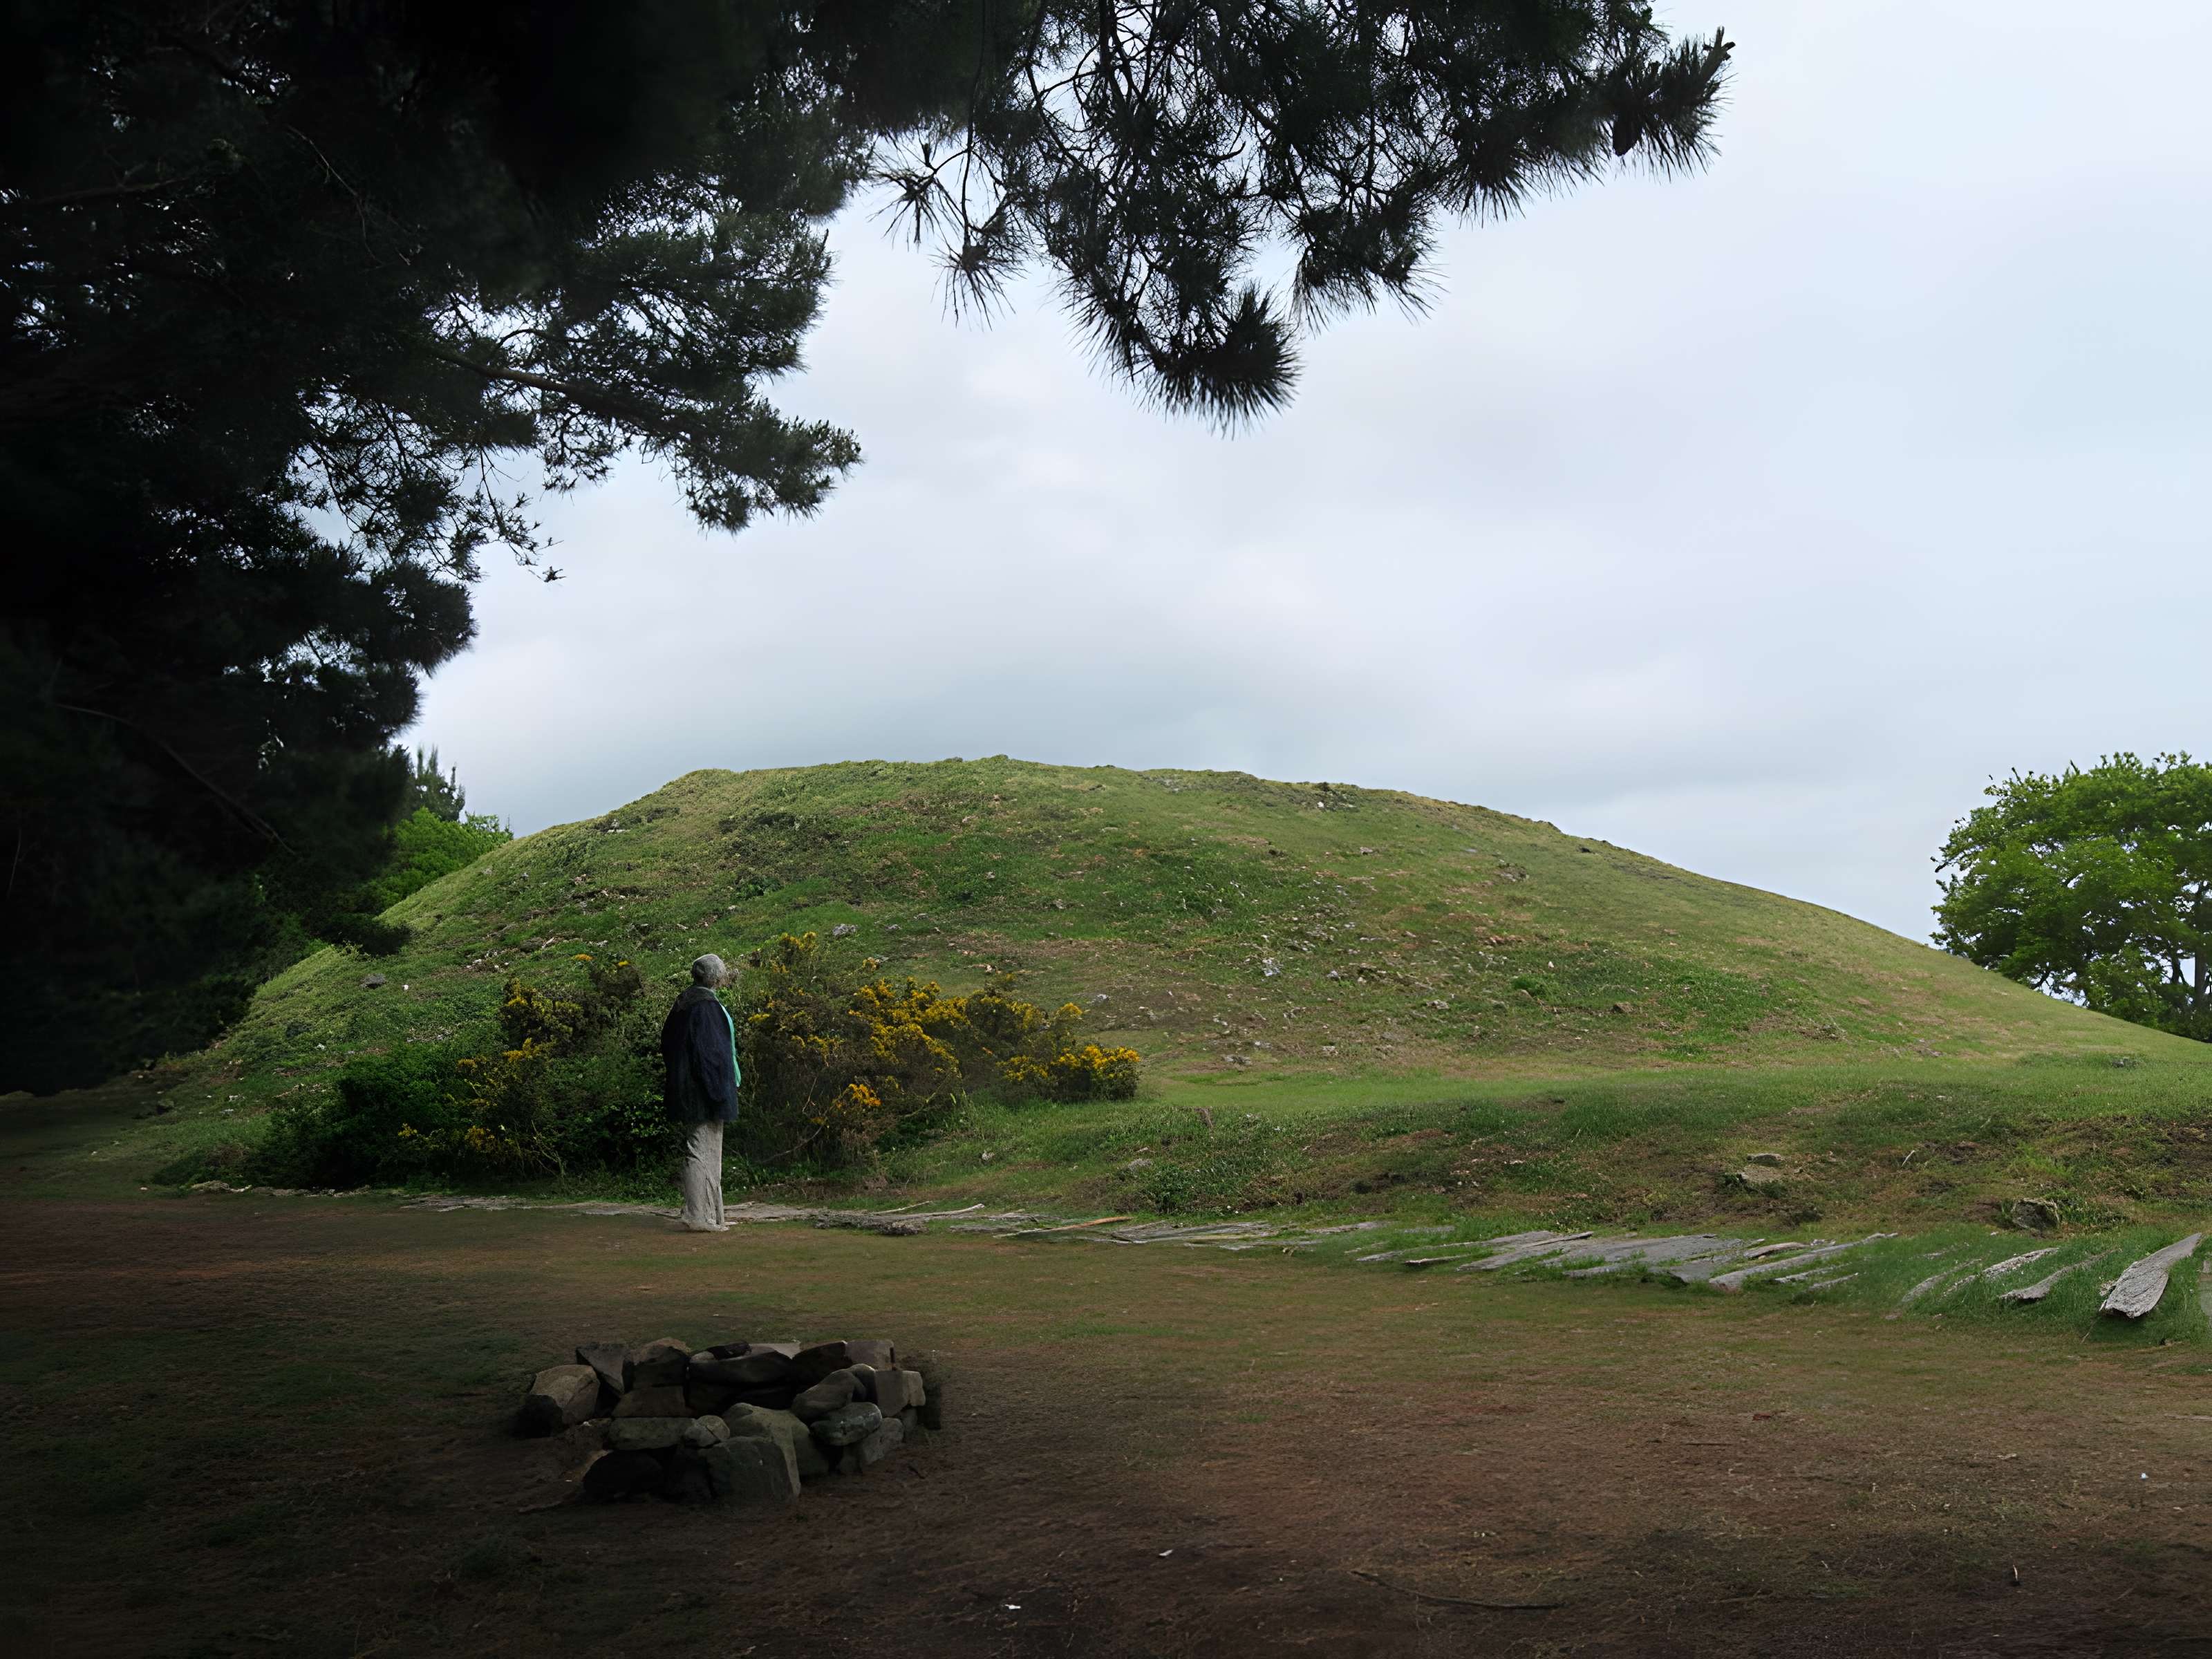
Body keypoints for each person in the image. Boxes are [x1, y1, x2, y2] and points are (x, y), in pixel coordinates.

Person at [659, 953, 741, 1232]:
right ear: (716, 976)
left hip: (689, 1087)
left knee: (706, 1150)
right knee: (702, 1151)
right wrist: (718, 1091)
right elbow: (712, 1054)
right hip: (702, 1090)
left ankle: (710, 1214)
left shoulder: (686, 1001)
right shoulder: (705, 1006)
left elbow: (668, 1045)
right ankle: (699, 1217)